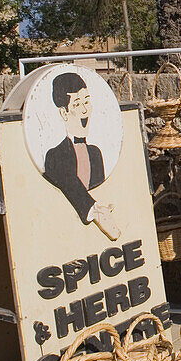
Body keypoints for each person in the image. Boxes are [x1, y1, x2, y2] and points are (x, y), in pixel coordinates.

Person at [43, 71, 120, 239]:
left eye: (87, 101)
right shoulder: (55, 156)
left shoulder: (95, 154)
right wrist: (97, 211)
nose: (85, 110)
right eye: (77, 104)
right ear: (64, 113)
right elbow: (69, 184)